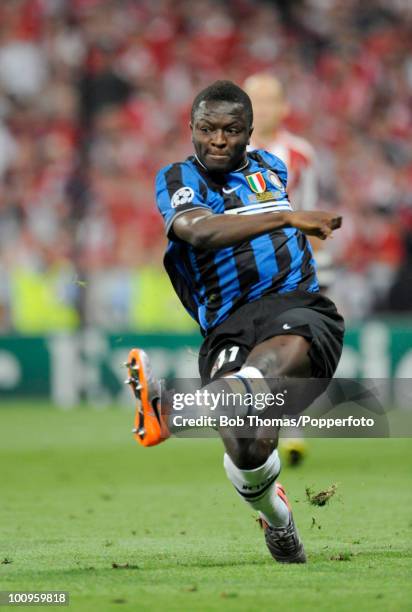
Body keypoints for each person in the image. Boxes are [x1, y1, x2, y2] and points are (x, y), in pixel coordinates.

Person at [125, 81, 344, 564]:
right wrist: (286, 219)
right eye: (207, 129)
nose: (218, 140)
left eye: (230, 130)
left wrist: (292, 219)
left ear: (249, 133)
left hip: (297, 306)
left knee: (265, 368)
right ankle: (279, 520)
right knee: (248, 447)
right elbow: (198, 233)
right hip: (228, 325)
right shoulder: (179, 176)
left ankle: (170, 412)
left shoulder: (273, 167)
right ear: (191, 130)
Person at [243, 72, 335, 465]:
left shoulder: (300, 155)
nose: (261, 108)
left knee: (293, 347)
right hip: (247, 269)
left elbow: (311, 213)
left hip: (294, 267)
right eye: (254, 100)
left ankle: (284, 422)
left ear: (285, 107)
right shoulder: (228, 152)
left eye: (269, 100)